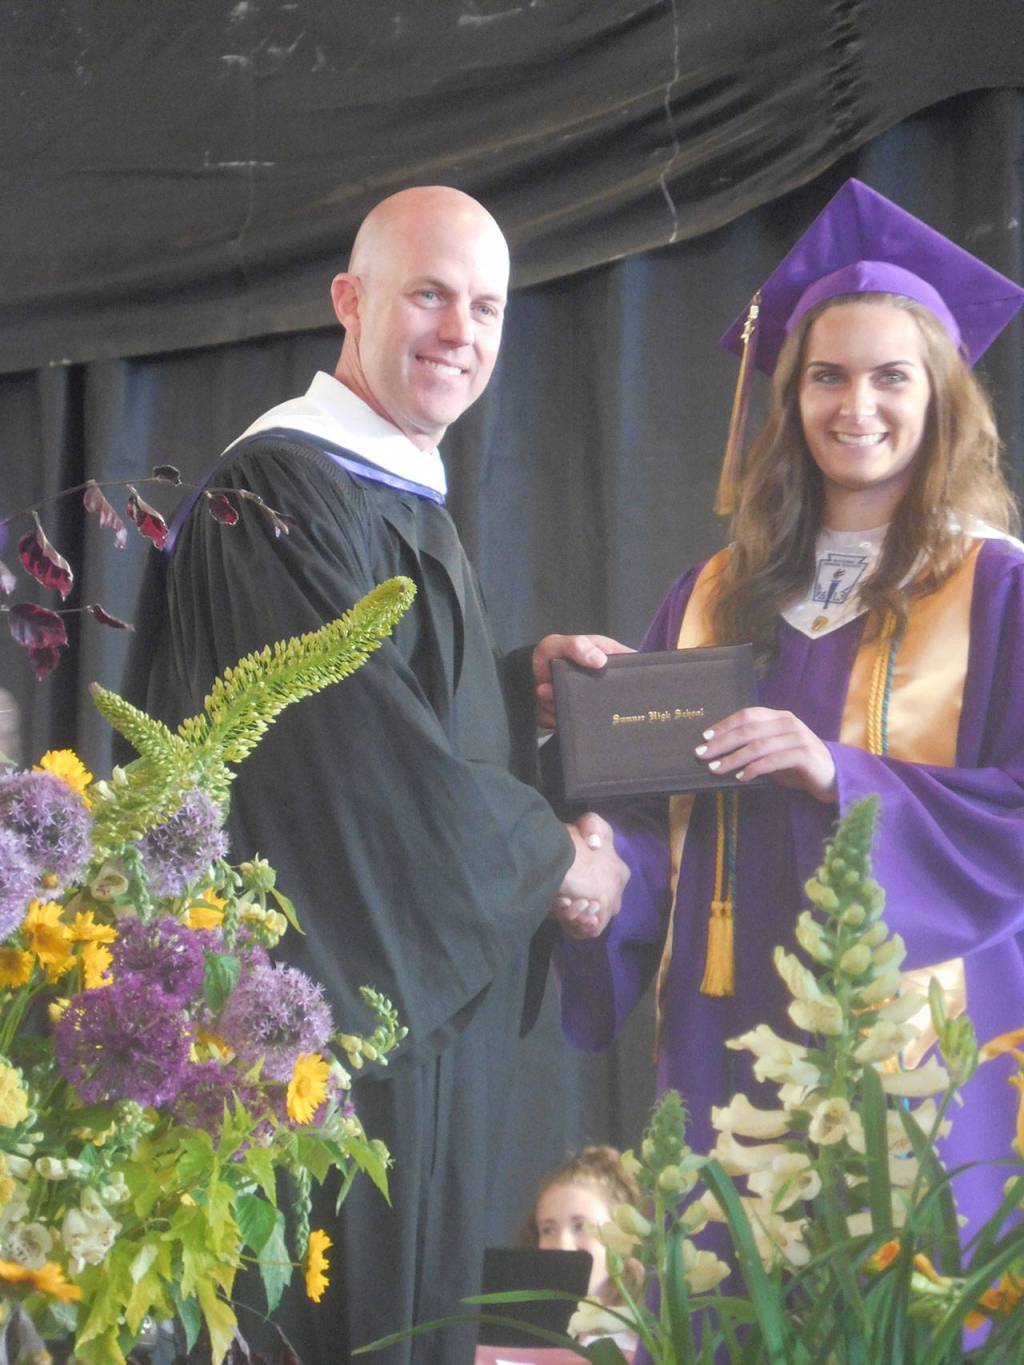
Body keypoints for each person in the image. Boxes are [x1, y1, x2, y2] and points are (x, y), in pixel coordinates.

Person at [121, 185, 630, 1363]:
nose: (461, 332)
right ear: (350, 302)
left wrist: (517, 689)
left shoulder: (389, 484)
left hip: (405, 1036)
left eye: (487, 308)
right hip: (327, 1042)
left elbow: (397, 708)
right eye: (431, 296)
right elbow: (339, 762)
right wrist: (556, 851)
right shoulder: (281, 489)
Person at [553, 179, 1024, 1242]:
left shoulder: (997, 589)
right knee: (736, 1297)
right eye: (826, 377)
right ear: (791, 397)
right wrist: (595, 874)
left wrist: (840, 777)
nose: (856, 405)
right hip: (728, 1025)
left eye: (889, 377)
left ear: (940, 394)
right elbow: (654, 820)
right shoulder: (712, 592)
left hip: (916, 1039)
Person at [520, 1145, 642, 1354]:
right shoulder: (524, 1336)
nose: (562, 1246)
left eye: (580, 1227)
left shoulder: (645, 1345)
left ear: (621, 1235)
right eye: (548, 1229)